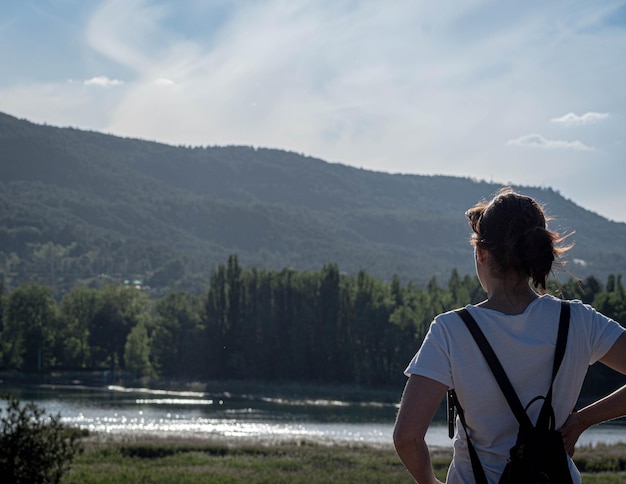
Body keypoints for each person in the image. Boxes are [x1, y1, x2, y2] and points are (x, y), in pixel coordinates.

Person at [393, 187, 626, 483]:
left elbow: (407, 438)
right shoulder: (579, 320)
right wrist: (582, 420)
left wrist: (430, 482)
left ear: (481, 252)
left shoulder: (451, 331)